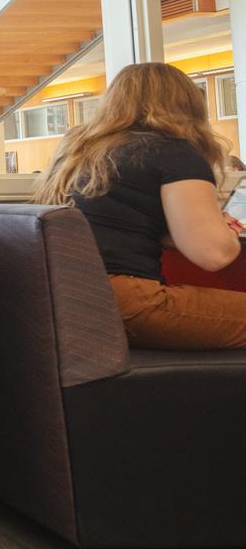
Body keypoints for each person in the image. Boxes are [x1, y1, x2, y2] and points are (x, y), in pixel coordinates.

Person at [33, 62, 246, 349]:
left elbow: (119, 225)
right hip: (127, 300)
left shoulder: (82, 152)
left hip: (67, 299)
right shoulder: (172, 151)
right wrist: (226, 230)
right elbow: (214, 255)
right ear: (188, 106)